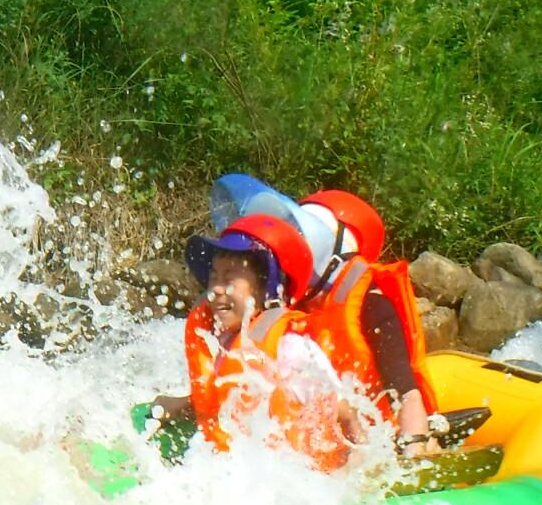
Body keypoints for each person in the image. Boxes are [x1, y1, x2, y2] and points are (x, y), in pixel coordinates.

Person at [150, 212, 354, 474]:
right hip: (236, 476)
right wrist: (184, 404)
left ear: (261, 288)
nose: (217, 289)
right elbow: (231, 402)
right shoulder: (222, 340)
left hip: (298, 484)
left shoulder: (289, 348)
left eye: (230, 278)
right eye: (214, 277)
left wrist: (356, 480)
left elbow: (347, 415)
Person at [291, 189, 439, 456]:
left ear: (336, 256)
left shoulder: (373, 309)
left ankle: (427, 444)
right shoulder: (291, 312)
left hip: (376, 440)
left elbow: (407, 394)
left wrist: (413, 453)